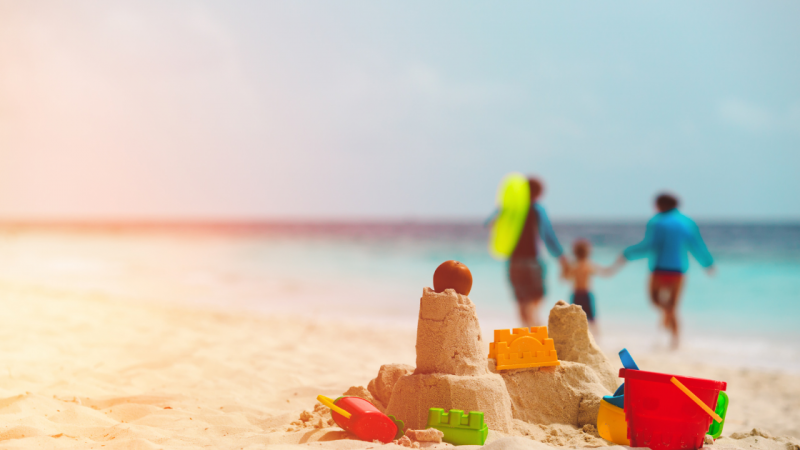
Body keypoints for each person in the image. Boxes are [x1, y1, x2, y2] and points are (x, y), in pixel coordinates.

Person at [614, 193, 715, 349]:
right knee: (673, 306)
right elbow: (697, 245)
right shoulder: (688, 222)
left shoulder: (657, 222)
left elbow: (649, 245)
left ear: (662, 205)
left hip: (659, 269)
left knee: (655, 300)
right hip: (679, 270)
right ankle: (675, 341)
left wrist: (628, 253)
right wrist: (708, 263)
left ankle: (668, 328)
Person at [500, 178, 568, 327]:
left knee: (522, 301)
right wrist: (562, 258)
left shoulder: (512, 209)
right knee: (536, 297)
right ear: (538, 193)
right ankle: (533, 325)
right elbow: (548, 236)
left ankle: (527, 329)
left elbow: (492, 223)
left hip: (514, 262)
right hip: (532, 261)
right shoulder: (537, 209)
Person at [562, 239, 616, 336]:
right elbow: (605, 272)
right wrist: (617, 265)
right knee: (592, 320)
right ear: (588, 252)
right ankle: (597, 339)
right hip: (586, 295)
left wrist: (564, 267)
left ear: (574, 252)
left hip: (576, 295)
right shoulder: (589, 265)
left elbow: (565, 278)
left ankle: (576, 339)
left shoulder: (574, 266)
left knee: (574, 320)